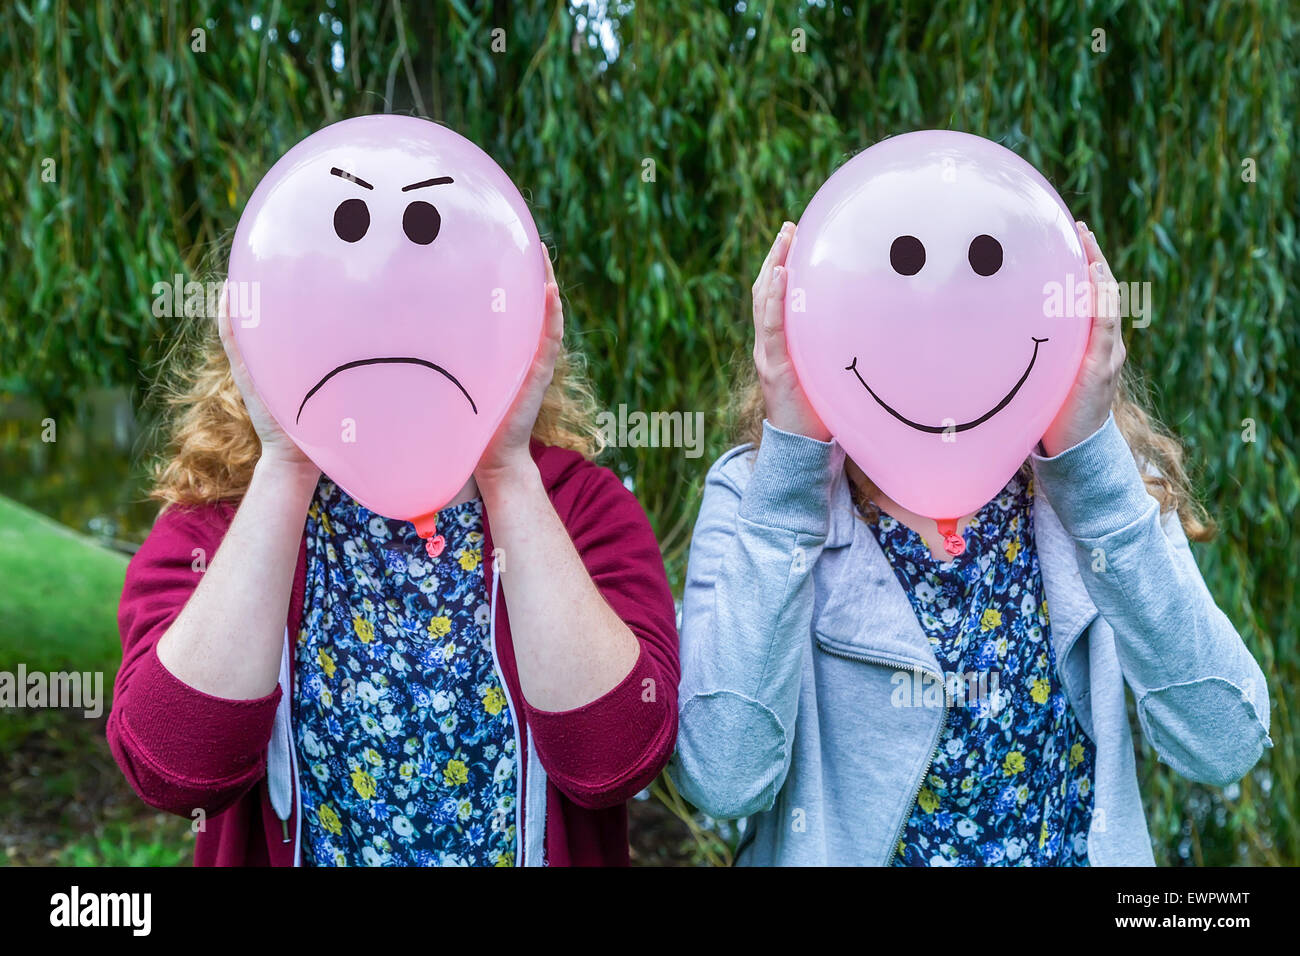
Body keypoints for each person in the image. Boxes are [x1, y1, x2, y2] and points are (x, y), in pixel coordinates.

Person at [670, 220, 1271, 866]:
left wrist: (1092, 467)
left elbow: (1226, 741)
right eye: (904, 311)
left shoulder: (1099, 482)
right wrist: (791, 470)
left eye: (973, 307)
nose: (939, 336)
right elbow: (722, 778)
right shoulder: (754, 491)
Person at [110, 250, 679, 866]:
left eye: (426, 305)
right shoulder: (219, 524)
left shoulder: (578, 510)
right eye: (354, 309)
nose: (391, 337)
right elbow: (174, 768)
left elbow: (616, 760)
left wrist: (505, 468)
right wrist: (286, 462)